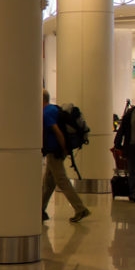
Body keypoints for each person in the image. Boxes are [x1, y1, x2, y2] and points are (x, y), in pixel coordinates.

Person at [42, 89, 90, 223]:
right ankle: (40, 210)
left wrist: (64, 149)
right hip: (56, 150)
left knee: (61, 180)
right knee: (49, 181)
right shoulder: (53, 108)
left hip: (55, 151)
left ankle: (80, 208)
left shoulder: (46, 113)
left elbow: (58, 133)